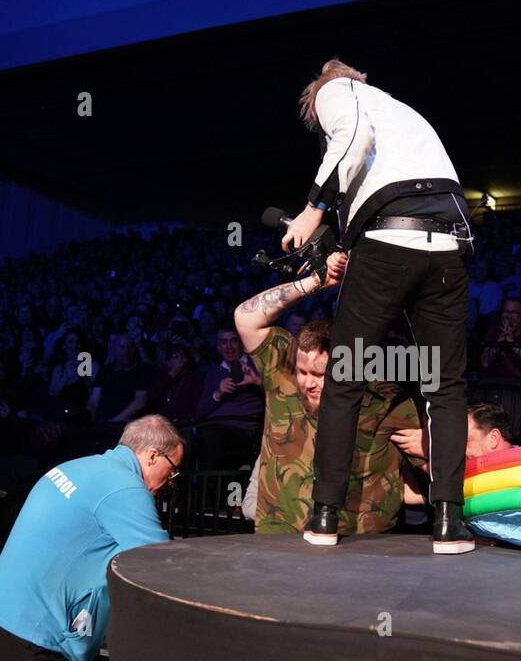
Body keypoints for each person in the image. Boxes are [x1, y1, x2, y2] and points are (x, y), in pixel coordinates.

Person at [285, 59, 475, 553]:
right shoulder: (405, 114)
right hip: (450, 245)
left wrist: (311, 212)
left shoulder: (338, 92)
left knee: (345, 377)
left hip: (390, 241)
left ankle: (325, 516)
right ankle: (449, 522)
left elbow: (352, 139)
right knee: (444, 385)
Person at [0, 415, 182, 661]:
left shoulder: (80, 466)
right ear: (153, 456)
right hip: (30, 637)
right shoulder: (125, 487)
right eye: (172, 471)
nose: (170, 482)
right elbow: (162, 565)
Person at [232, 266, 426, 534]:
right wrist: (317, 281)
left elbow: (432, 468)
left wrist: (429, 447)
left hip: (358, 545)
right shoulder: (282, 370)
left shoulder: (384, 399)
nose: (308, 382)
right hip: (278, 537)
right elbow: (245, 317)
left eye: (319, 374)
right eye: (303, 372)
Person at [193, 326, 263, 470]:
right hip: (214, 425)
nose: (229, 347)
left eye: (233, 341)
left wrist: (257, 381)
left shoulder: (256, 365)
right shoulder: (214, 371)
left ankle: (209, 488)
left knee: (209, 434)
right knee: (187, 435)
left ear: (241, 344)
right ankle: (194, 488)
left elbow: (278, 396)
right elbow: (200, 411)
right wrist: (217, 394)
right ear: (219, 347)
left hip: (244, 429)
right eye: (224, 342)